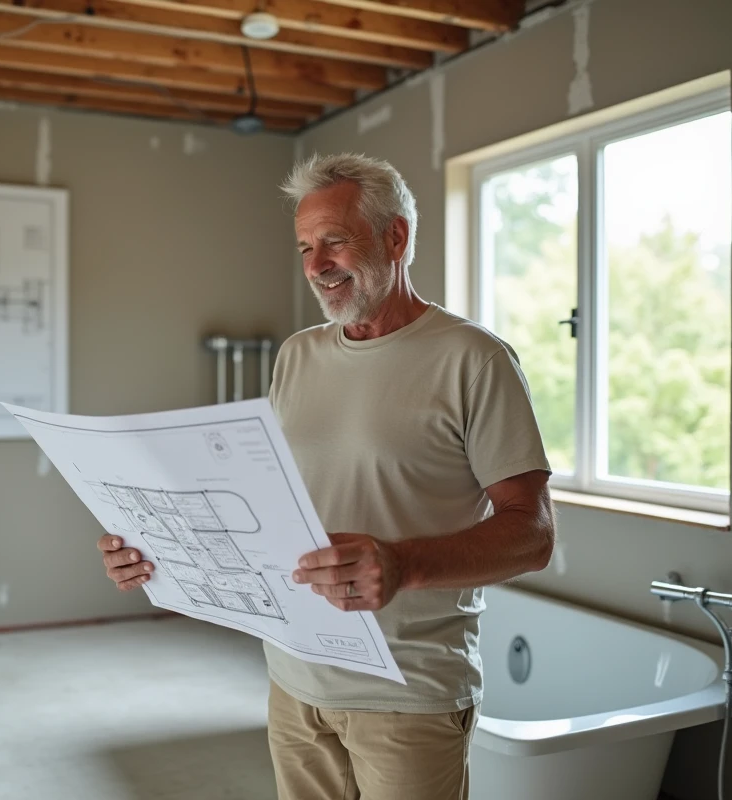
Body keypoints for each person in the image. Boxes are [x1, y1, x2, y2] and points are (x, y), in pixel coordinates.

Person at [96, 153, 556, 800]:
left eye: (335, 241)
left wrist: (403, 565)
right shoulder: (298, 356)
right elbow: (269, 504)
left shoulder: (473, 358)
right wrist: (157, 547)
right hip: (293, 683)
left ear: (396, 237)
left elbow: (532, 535)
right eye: (306, 247)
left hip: (408, 693)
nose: (316, 265)